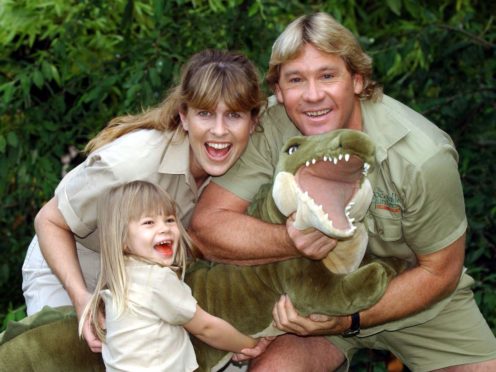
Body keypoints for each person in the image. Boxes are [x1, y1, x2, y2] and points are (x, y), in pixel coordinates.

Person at [190, 12, 496, 371]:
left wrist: (350, 318)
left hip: (414, 295)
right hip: (311, 292)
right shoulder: (271, 126)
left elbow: (440, 272)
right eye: (295, 80)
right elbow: (208, 225)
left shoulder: (422, 157)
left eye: (327, 75)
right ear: (278, 90)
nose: (312, 95)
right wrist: (291, 241)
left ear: (357, 79)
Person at [22, 48, 266, 353]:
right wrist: (82, 298)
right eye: (204, 113)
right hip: (72, 263)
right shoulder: (131, 164)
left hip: (144, 281)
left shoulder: (243, 167)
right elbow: (50, 220)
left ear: (253, 122)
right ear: (184, 116)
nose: (219, 130)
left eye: (234, 115)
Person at [79, 181, 270, 371]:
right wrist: (251, 345)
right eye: (148, 222)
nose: (164, 228)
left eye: (169, 220)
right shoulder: (156, 280)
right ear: (122, 239)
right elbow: (206, 328)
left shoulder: (123, 277)